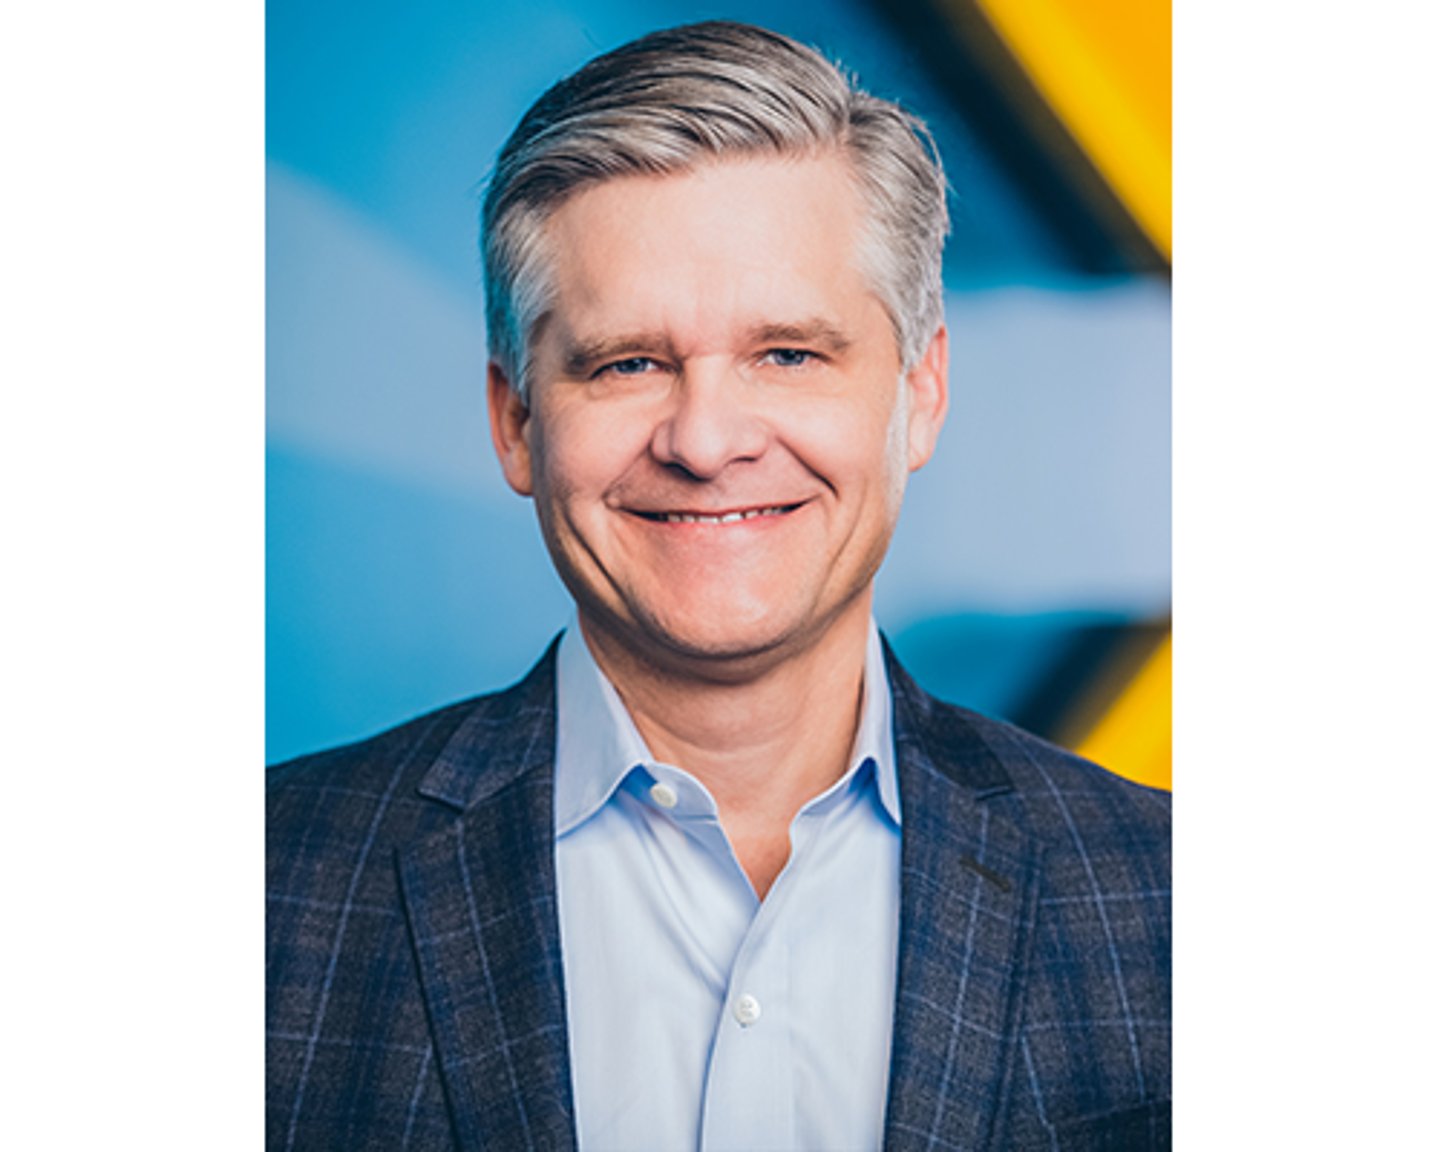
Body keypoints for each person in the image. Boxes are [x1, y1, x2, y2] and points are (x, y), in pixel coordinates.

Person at [267, 20, 1170, 1151]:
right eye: (627, 363)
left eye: (788, 353)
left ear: (921, 390)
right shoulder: (263, 897)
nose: (705, 440)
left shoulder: (1174, 901)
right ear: (514, 421)